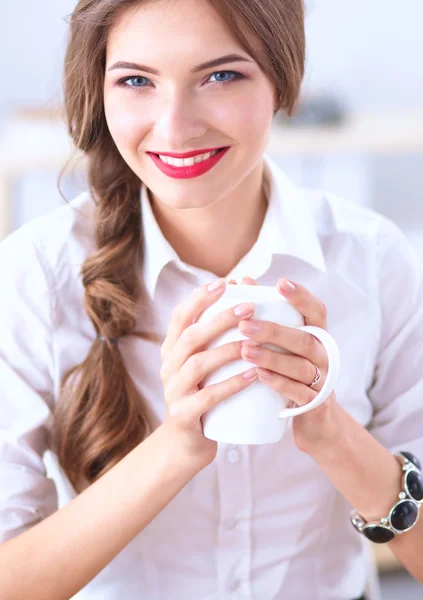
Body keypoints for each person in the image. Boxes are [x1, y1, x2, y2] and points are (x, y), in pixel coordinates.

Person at [0, 0, 422, 598]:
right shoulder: (35, 274)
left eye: (221, 75)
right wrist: (174, 447)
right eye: (136, 81)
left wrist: (329, 429)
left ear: (282, 80)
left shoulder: (372, 260)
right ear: (100, 90)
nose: (175, 127)